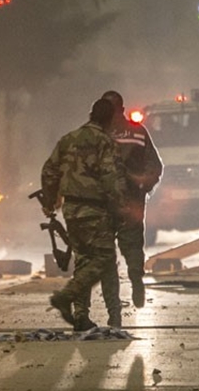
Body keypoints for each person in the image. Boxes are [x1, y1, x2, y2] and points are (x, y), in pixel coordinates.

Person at [39, 98, 127, 331]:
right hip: (95, 209)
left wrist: (49, 201)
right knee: (105, 258)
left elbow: (48, 171)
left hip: (71, 209)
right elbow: (110, 179)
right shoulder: (105, 142)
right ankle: (66, 296)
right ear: (109, 120)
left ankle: (81, 316)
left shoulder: (68, 139)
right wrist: (121, 208)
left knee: (84, 259)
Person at [101, 90, 163, 314]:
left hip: (104, 203)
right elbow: (155, 166)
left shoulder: (96, 133)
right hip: (131, 202)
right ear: (122, 109)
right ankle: (136, 280)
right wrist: (143, 184)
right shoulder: (138, 132)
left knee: (106, 254)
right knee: (133, 246)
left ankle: (113, 305)